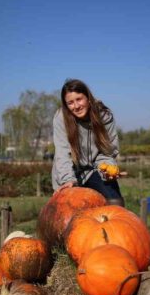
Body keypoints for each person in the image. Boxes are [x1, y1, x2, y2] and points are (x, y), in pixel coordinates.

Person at [51, 78, 125, 206]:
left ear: (88, 98)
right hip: (70, 172)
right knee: (69, 214)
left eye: (79, 99)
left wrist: (106, 170)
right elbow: (62, 153)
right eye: (70, 103)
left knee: (115, 202)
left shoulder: (104, 116)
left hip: (94, 170)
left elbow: (108, 151)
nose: (76, 106)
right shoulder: (60, 118)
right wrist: (68, 180)